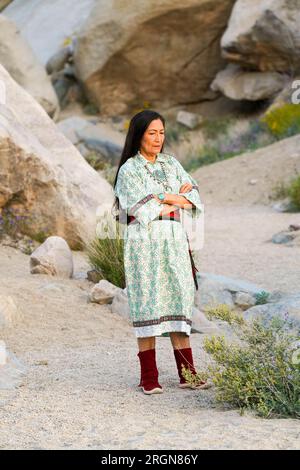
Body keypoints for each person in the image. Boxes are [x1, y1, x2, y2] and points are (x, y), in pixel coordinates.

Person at [113, 109, 210, 395]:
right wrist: (174, 201)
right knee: (148, 301)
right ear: (139, 135)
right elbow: (139, 207)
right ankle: (149, 377)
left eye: (162, 133)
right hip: (144, 241)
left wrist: (167, 197)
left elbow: (195, 198)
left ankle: (187, 375)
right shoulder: (129, 169)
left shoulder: (171, 163)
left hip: (174, 240)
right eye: (151, 133)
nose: (158, 139)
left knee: (179, 298)